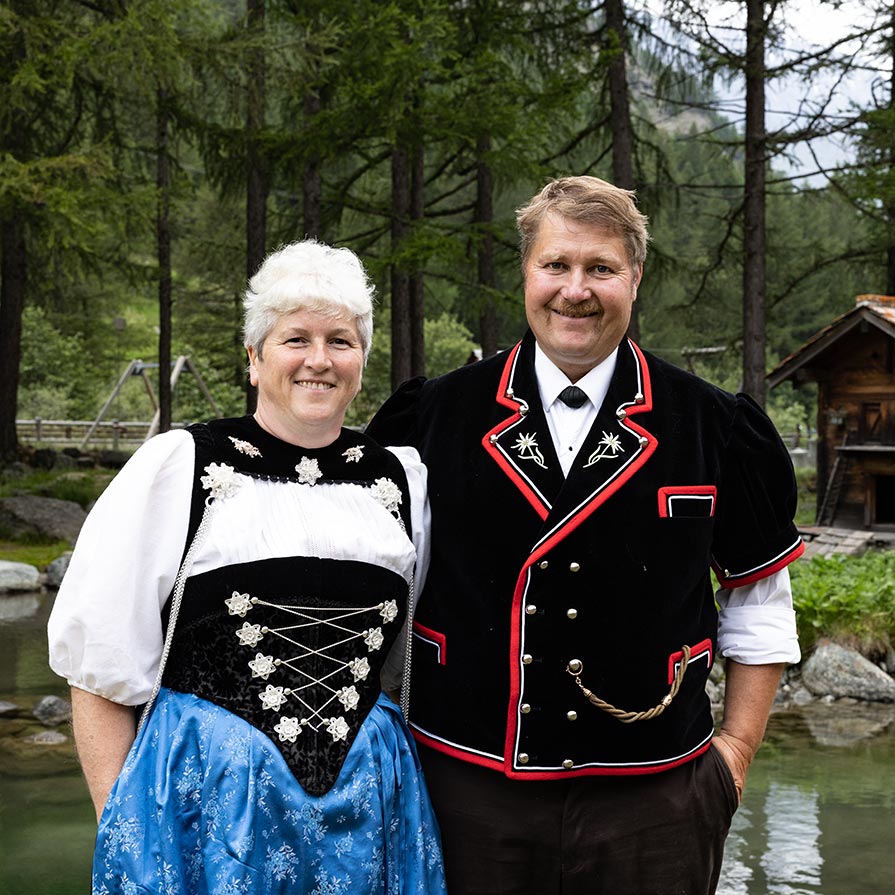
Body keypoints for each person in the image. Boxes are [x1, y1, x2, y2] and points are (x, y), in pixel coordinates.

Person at [366, 175, 803, 895]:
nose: (575, 289)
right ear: (525, 273)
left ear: (634, 276)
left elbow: (759, 597)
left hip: (655, 799)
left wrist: (733, 755)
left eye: (600, 268)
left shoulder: (712, 425)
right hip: (463, 789)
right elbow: (373, 595)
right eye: (556, 265)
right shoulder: (434, 417)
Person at [48, 240, 446, 894]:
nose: (319, 359)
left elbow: (403, 665)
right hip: (210, 808)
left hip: (369, 807)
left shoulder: (401, 479)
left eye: (340, 340)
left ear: (362, 359)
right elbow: (100, 668)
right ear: (254, 358)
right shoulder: (180, 466)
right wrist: (125, 830)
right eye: (296, 338)